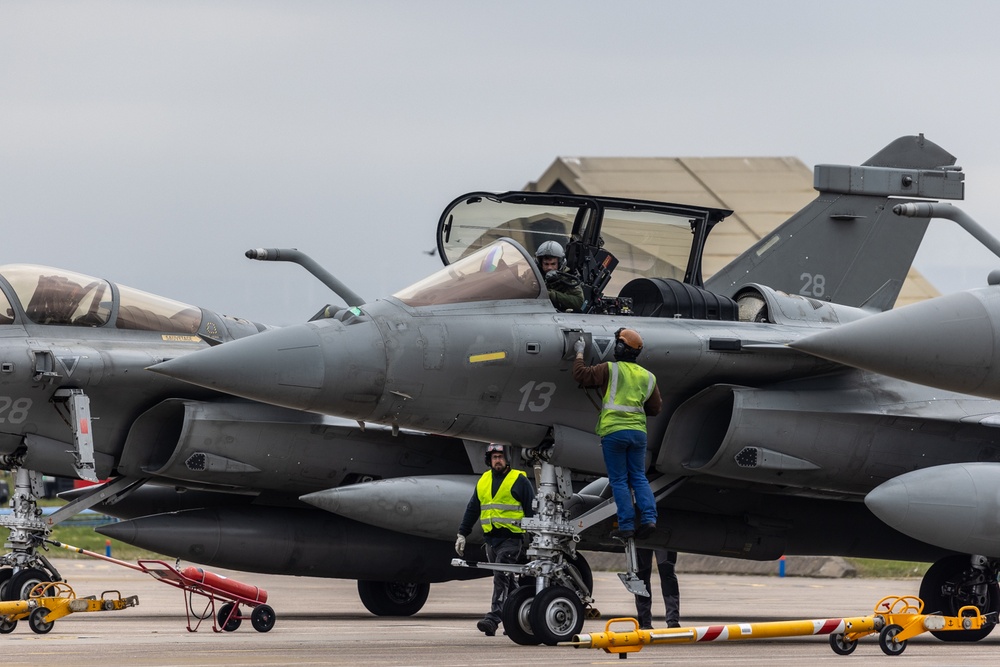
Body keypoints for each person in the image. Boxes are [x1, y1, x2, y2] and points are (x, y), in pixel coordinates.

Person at [572, 327, 661, 539]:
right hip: (638, 434)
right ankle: (650, 519)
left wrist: (579, 352)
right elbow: (655, 409)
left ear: (620, 348)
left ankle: (627, 525)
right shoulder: (648, 377)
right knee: (639, 477)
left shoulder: (609, 369)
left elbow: (580, 375)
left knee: (619, 480)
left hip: (614, 432)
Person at [455, 443, 536, 637]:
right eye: (494, 457)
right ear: (489, 460)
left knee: (501, 577)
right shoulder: (484, 480)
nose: (497, 460)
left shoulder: (519, 480)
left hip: (511, 539)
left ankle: (493, 619)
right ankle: (517, 617)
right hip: (491, 541)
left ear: (507, 459)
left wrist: (534, 539)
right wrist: (462, 533)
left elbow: (531, 510)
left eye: (500, 456)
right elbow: (473, 508)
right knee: (507, 581)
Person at [635, 548, 680, 629]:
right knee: (641, 577)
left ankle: (673, 620)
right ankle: (644, 621)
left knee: (667, 572)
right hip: (640, 537)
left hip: (664, 536)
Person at [535, 240, 584, 312]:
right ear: (540, 264)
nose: (549, 268)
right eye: (546, 264)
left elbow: (579, 301)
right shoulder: (533, 274)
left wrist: (551, 295)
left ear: (560, 263)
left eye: (553, 264)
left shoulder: (567, 279)